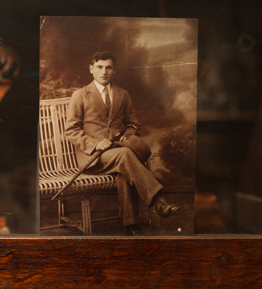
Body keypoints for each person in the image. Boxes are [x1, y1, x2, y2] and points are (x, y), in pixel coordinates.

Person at [64, 51, 178, 235]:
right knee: (127, 156)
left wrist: (126, 136)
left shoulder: (123, 94)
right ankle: (158, 201)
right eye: (99, 67)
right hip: (93, 156)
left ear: (114, 70)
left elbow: (133, 124)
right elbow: (71, 131)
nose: (104, 72)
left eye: (108, 67)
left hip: (119, 152)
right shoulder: (80, 95)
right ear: (91, 69)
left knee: (125, 164)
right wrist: (94, 144)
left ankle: (130, 226)